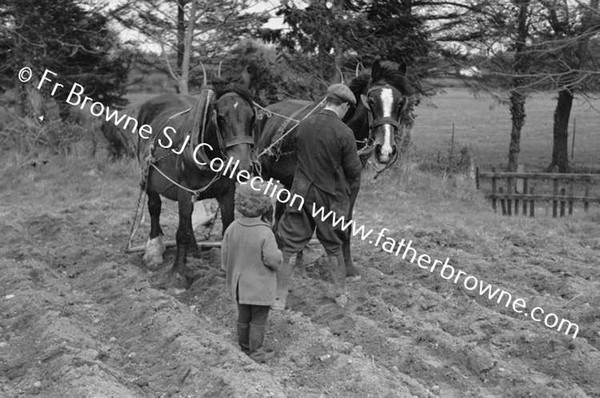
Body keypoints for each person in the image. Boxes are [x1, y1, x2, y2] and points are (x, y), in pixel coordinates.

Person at [274, 83, 362, 310]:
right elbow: (354, 172)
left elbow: (295, 153)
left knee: (290, 246)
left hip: (299, 194)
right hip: (327, 198)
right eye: (346, 109)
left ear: (326, 101)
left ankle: (279, 299)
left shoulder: (303, 125)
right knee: (333, 245)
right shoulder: (344, 132)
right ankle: (340, 294)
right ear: (342, 106)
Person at [221, 182, 283, 363]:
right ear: (265, 205)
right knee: (258, 320)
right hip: (260, 288)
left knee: (243, 317)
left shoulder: (232, 228)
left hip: (239, 285)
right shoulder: (265, 232)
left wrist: (230, 270)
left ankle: (244, 347)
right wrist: (279, 257)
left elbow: (224, 256)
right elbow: (273, 260)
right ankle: (256, 353)